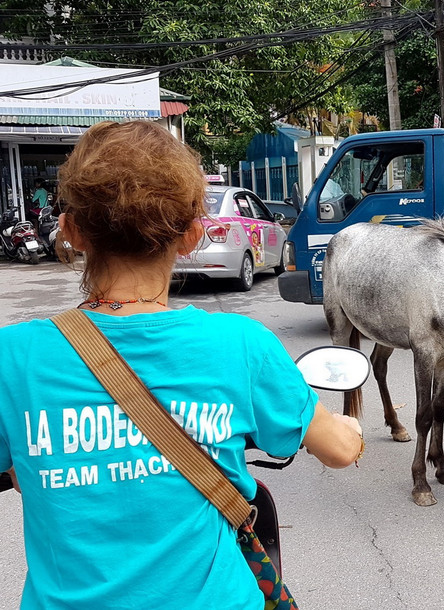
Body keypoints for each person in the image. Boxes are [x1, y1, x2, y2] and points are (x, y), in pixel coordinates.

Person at [0, 120, 364, 608]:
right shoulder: (242, 344)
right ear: (193, 235)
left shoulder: (14, 357)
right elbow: (339, 450)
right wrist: (350, 428)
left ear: (71, 231)